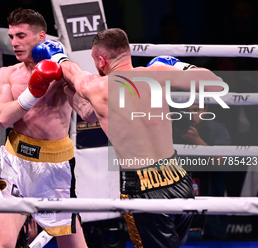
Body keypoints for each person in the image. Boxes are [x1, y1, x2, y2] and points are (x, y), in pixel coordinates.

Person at [31, 28, 226, 247]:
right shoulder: (157, 74)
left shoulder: (97, 86)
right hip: (179, 179)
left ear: (100, 60)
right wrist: (180, 65)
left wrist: (57, 56)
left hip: (143, 188)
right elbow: (215, 83)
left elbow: (73, 72)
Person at [0, 7, 95, 248]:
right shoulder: (7, 74)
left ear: (41, 38)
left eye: (21, 36)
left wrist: (65, 65)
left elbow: (88, 113)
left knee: (73, 245)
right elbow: (4, 118)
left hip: (55, 167)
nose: (14, 43)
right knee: (2, 243)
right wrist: (32, 92)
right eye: (11, 36)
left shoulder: (61, 75)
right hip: (14, 160)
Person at [172, 103, 231, 240]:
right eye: (186, 111)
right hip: (174, 220)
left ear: (206, 109)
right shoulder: (169, 129)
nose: (192, 116)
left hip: (211, 222)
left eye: (196, 110)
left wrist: (197, 140)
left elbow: (219, 162)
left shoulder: (216, 130)